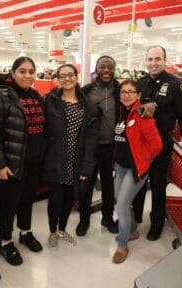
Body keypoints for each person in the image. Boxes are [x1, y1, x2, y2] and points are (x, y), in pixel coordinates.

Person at [0, 57, 45, 266]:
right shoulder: (2, 95)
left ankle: (25, 232)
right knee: (7, 205)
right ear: (12, 73)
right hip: (11, 163)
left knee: (26, 200)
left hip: (33, 161)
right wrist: (0, 164)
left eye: (31, 71)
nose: (28, 75)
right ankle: (6, 242)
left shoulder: (36, 95)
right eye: (22, 71)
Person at [43, 64, 99, 248]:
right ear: (57, 79)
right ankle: (52, 232)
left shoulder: (87, 104)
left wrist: (87, 166)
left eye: (70, 75)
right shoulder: (50, 100)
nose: (67, 79)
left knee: (69, 199)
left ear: (76, 76)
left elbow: (92, 138)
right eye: (62, 76)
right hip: (54, 159)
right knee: (55, 200)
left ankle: (62, 229)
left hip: (76, 161)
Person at [132, 45, 182, 240]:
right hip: (140, 143)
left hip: (162, 142)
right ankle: (136, 218)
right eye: (150, 59)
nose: (154, 63)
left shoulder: (174, 84)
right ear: (146, 60)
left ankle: (157, 222)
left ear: (164, 60)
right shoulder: (140, 82)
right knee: (138, 181)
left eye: (157, 59)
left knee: (159, 183)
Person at [112, 79, 162, 264]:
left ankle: (122, 245)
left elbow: (157, 145)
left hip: (136, 169)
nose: (126, 95)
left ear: (138, 95)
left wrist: (144, 159)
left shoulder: (142, 114)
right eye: (123, 91)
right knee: (122, 200)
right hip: (121, 166)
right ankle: (132, 231)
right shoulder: (120, 112)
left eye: (131, 92)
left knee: (122, 205)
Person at [75, 55, 120, 236]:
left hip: (111, 146)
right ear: (96, 69)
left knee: (108, 185)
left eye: (110, 67)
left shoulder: (119, 90)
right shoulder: (86, 91)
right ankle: (84, 220)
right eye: (103, 67)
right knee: (87, 185)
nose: (106, 70)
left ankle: (107, 218)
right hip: (90, 148)